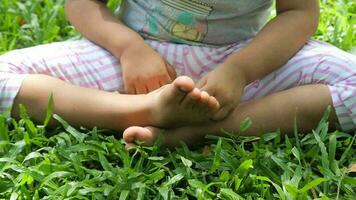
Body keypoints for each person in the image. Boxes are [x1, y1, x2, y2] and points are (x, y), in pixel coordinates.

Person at [0, 0, 355, 148]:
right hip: (134, 59)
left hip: (240, 61)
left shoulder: (241, 67)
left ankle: (192, 131)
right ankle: (147, 111)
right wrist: (128, 48)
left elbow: (299, 13)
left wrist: (240, 70)